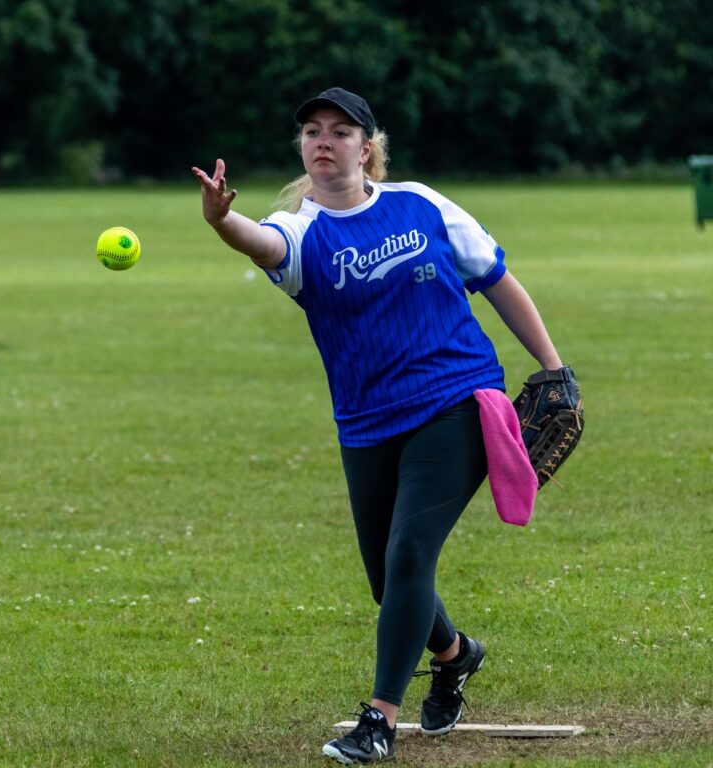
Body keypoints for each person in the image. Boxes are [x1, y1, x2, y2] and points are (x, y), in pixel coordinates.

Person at [192, 87, 564, 765]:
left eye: (340, 130)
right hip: (367, 421)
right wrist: (223, 220)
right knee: (386, 580)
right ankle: (455, 656)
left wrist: (553, 365)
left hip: (457, 397)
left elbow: (497, 278)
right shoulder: (301, 232)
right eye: (311, 131)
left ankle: (379, 722)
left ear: (367, 148)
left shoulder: (420, 205)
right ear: (304, 148)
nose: (324, 140)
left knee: (408, 555)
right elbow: (260, 242)